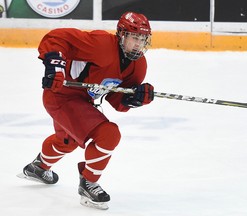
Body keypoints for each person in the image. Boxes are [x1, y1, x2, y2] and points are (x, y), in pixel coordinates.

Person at [20, 11, 154, 209]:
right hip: (61, 95)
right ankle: (88, 182)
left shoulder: (138, 66)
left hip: (82, 101)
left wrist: (135, 98)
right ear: (122, 35)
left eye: (142, 39)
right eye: (134, 37)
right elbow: (56, 37)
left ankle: (38, 168)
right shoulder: (100, 44)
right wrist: (55, 66)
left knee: (66, 141)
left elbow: (117, 100)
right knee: (108, 134)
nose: (138, 44)